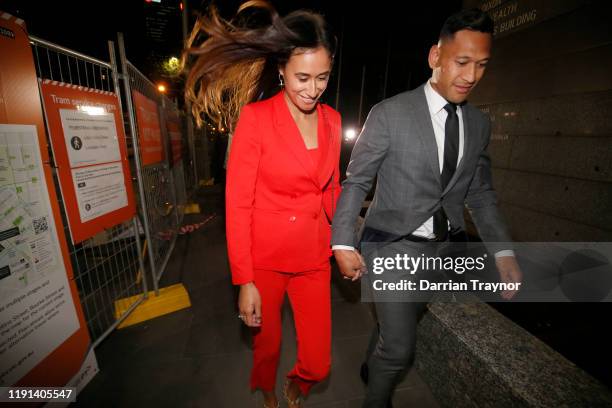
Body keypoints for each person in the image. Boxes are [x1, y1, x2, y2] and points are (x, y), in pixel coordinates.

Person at [330, 8, 523, 408]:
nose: (471, 76)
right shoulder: (389, 114)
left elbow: (480, 194)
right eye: (462, 62)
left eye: (482, 65)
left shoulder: (480, 126)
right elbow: (357, 182)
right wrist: (343, 242)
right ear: (435, 56)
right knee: (400, 348)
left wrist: (502, 252)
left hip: (442, 252)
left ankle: (373, 362)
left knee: (398, 325)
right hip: (390, 246)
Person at [183, 2, 341, 407]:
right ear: (281, 70)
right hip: (265, 260)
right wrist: (244, 281)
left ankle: (301, 381)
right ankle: (267, 387)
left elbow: (331, 188)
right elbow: (237, 204)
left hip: (313, 256)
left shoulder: (332, 120)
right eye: (302, 77)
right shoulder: (255, 118)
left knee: (320, 362)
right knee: (266, 345)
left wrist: (345, 242)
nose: (313, 88)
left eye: (322, 77)